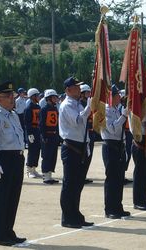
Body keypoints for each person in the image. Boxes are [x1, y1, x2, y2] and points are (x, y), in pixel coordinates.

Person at [0, 81, 27, 246]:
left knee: (13, 198)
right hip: (3, 160)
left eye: (12, 96)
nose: (12, 99)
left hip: (17, 159)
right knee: (2, 199)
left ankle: (9, 231)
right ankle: (1, 235)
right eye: (8, 96)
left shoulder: (13, 115)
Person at [59, 77, 94, 228]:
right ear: (68, 90)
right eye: (76, 87)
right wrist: (88, 108)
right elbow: (78, 121)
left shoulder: (78, 104)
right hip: (71, 147)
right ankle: (68, 217)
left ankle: (75, 214)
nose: (79, 89)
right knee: (70, 184)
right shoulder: (67, 105)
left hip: (80, 146)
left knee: (78, 184)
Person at [101, 85, 131, 219]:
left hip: (119, 145)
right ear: (111, 97)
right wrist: (123, 117)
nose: (120, 97)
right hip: (110, 146)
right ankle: (110, 209)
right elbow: (112, 129)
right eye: (117, 95)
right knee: (112, 179)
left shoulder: (116, 109)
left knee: (119, 179)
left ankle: (118, 207)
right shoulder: (105, 111)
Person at [39, 89, 60, 184]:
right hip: (47, 135)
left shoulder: (55, 109)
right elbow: (42, 124)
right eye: (54, 97)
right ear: (48, 99)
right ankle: (46, 176)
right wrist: (44, 136)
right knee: (46, 155)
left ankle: (50, 175)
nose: (56, 99)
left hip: (54, 135)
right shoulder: (43, 109)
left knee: (53, 155)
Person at [24, 88, 42, 178]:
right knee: (32, 151)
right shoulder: (28, 108)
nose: (39, 97)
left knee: (37, 150)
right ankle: (29, 170)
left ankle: (34, 168)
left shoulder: (38, 107)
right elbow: (27, 123)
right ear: (32, 97)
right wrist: (30, 134)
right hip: (32, 131)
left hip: (38, 130)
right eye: (37, 95)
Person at [80, 83, 95, 184]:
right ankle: (80, 175)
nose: (89, 94)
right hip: (84, 131)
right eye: (87, 92)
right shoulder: (80, 104)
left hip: (91, 130)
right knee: (83, 155)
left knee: (89, 156)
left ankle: (84, 175)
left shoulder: (90, 103)